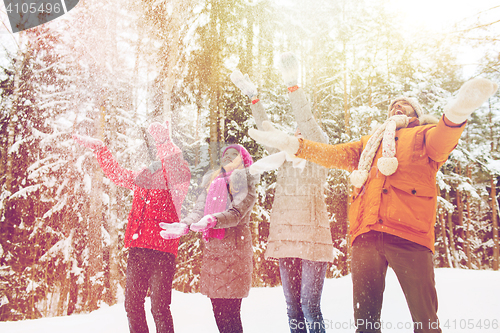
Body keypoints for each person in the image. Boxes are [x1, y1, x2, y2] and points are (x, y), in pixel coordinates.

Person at [248, 77, 498, 333]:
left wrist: (457, 112)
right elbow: (334, 154)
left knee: (425, 322)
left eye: (405, 105)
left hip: (410, 236)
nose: (397, 107)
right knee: (365, 325)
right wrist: (294, 145)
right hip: (366, 235)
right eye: (394, 105)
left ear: (417, 113)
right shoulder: (370, 143)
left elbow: (444, 139)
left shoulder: (424, 135)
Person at [230, 52, 333, 333]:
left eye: (305, 130)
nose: (299, 132)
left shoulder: (319, 155)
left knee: (310, 307)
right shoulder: (283, 158)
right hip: (286, 239)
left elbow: (307, 118)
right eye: (296, 130)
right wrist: (254, 98)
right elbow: (266, 129)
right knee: (293, 308)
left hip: (312, 239)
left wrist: (293, 86)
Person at [73, 120, 191, 333]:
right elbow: (116, 174)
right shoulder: (142, 179)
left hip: (162, 252)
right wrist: (101, 149)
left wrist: (164, 141)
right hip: (138, 250)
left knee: (159, 308)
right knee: (132, 306)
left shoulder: (176, 181)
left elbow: (174, 167)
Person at [160, 144, 258, 333]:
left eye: (234, 154)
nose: (228, 157)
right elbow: (199, 211)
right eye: (225, 154)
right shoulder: (213, 182)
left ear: (243, 159)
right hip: (214, 254)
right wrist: (186, 224)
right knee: (219, 316)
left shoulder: (245, 181)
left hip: (235, 255)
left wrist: (213, 220)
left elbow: (236, 212)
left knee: (231, 317)